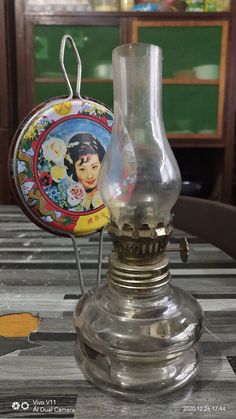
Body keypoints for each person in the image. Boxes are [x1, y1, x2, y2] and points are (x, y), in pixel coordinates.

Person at [64, 133, 105, 210]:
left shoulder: (111, 194)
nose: (89, 176)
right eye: (82, 169)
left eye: (94, 167)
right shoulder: (70, 201)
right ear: (73, 170)